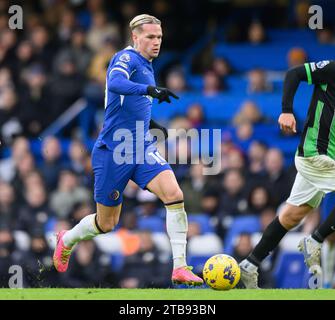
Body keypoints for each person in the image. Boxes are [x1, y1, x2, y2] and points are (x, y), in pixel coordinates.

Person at [53, 14, 203, 286]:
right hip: (113, 150)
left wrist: (158, 127)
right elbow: (117, 83)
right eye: (150, 37)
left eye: (159, 37)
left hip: (141, 146)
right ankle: (68, 238)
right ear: (135, 37)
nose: (156, 42)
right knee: (106, 223)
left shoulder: (147, 64)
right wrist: (150, 89)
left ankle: (180, 266)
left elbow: (133, 106)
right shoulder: (125, 58)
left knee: (174, 194)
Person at [239, 60, 335, 288]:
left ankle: (250, 264)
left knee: (291, 215)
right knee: (296, 218)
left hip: (329, 160)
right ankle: (315, 240)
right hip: (315, 153)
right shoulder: (332, 69)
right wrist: (287, 111)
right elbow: (294, 73)